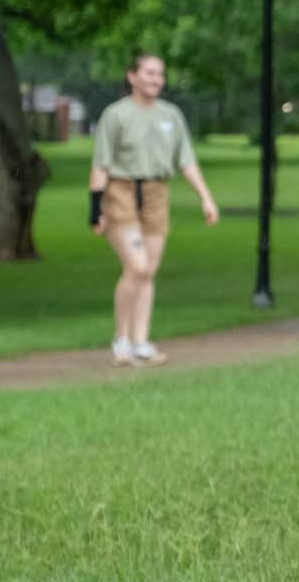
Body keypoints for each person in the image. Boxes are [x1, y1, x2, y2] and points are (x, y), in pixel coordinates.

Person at [88, 54, 220, 365]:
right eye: (149, 73)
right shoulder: (116, 115)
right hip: (121, 189)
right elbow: (101, 164)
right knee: (136, 265)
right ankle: (121, 339)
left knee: (149, 270)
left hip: (156, 191)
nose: (155, 79)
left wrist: (205, 197)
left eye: (160, 74)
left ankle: (140, 340)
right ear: (132, 76)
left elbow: (185, 160)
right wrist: (95, 209)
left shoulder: (170, 115)